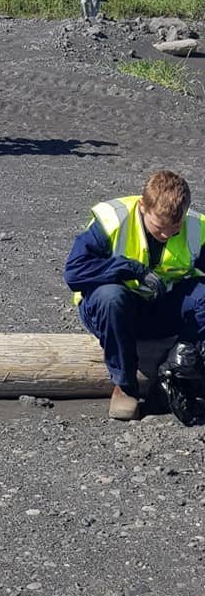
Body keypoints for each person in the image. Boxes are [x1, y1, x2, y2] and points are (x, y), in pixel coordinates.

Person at [64, 170, 205, 420]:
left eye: (175, 228)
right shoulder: (113, 221)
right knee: (110, 296)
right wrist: (132, 269)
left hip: (160, 307)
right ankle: (124, 386)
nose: (167, 235)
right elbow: (74, 273)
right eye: (159, 228)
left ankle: (176, 372)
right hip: (112, 311)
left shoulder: (196, 227)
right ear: (143, 207)